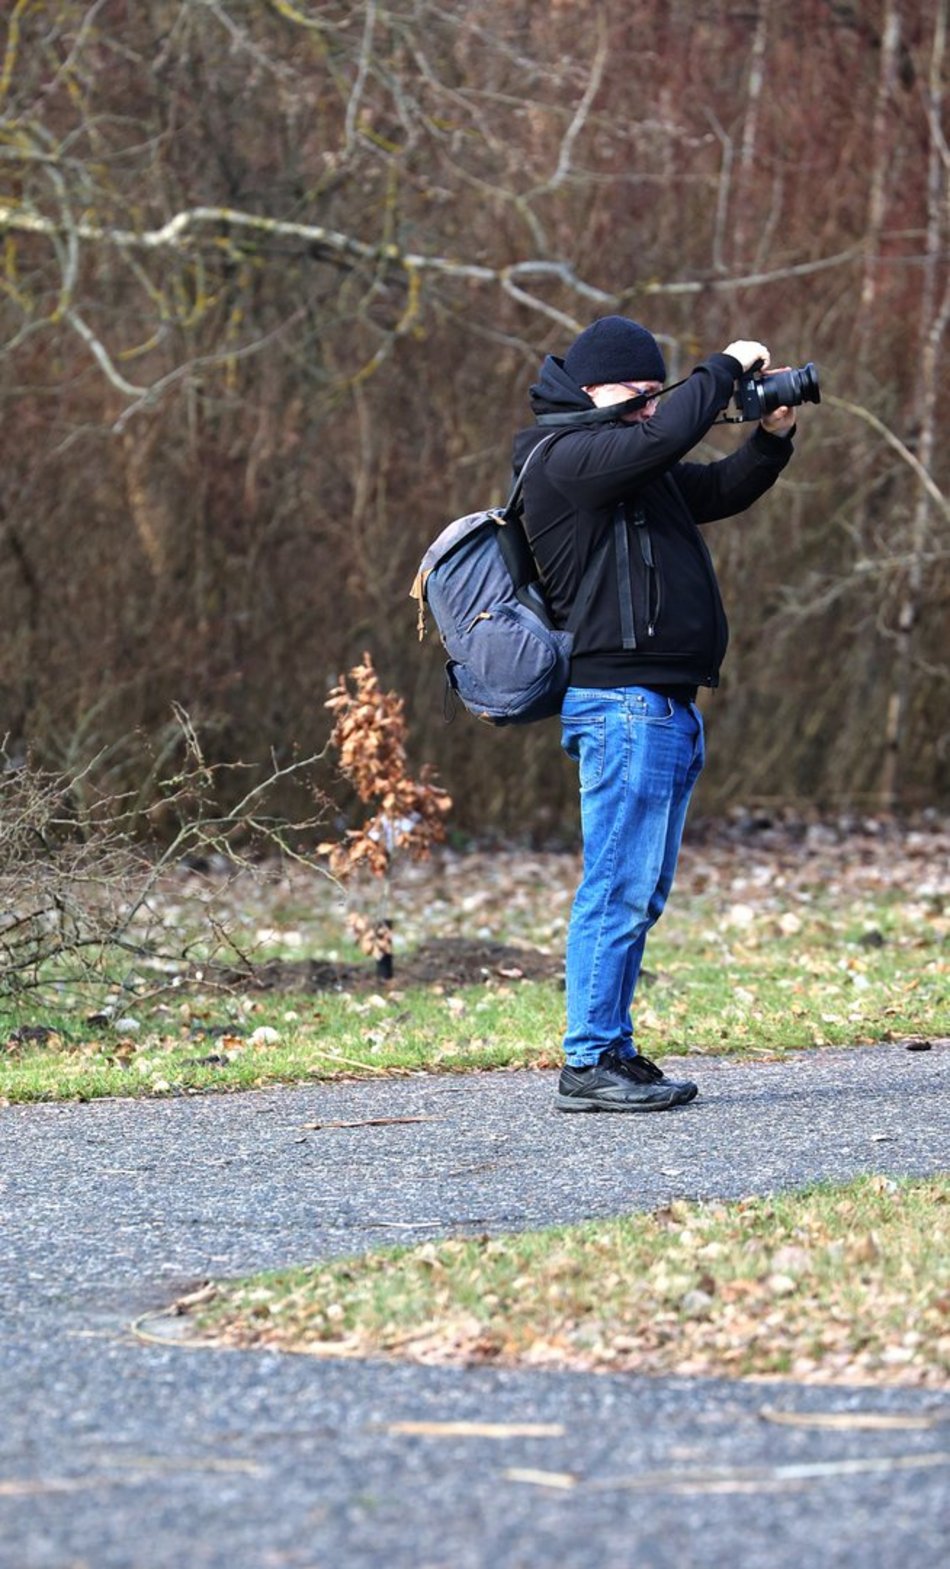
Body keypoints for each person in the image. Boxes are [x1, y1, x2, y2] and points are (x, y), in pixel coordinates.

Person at [513, 315, 797, 1112]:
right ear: (590, 391)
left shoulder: (636, 461)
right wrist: (720, 369)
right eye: (636, 395)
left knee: (640, 887)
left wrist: (770, 438)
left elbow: (716, 487)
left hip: (660, 707)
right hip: (621, 705)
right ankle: (588, 1059)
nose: (647, 408)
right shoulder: (563, 457)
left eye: (653, 395)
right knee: (616, 884)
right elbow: (663, 437)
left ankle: (613, 1046)